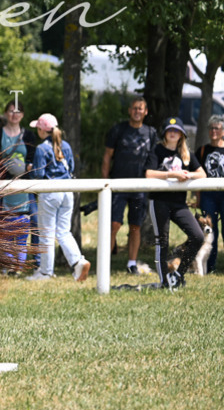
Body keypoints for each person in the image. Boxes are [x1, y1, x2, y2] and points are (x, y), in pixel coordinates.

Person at [28, 113, 90, 282]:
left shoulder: (42, 148)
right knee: (63, 231)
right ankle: (78, 261)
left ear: (42, 130)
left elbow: (39, 174)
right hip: (67, 192)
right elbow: (71, 167)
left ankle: (45, 272)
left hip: (50, 192)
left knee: (46, 232)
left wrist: (30, 168)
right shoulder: (66, 146)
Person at [145, 116, 206, 289]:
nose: (173, 133)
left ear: (181, 135)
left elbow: (202, 174)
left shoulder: (186, 154)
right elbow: (149, 173)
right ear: (165, 134)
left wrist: (187, 174)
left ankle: (179, 274)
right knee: (162, 241)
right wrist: (171, 175)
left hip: (179, 203)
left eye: (176, 131)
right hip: (159, 201)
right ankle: (165, 281)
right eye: (169, 130)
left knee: (197, 236)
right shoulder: (157, 150)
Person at [102, 97, 158, 273]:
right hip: (117, 186)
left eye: (140, 109)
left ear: (146, 112)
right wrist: (105, 183)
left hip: (139, 188)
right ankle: (105, 262)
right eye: (134, 108)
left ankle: (131, 264)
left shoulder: (151, 133)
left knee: (135, 226)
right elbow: (106, 157)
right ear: (129, 110)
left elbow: (154, 159)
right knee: (113, 225)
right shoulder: (118, 130)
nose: (137, 111)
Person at [0, 100, 38, 267]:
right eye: (11, 111)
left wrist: (27, 166)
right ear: (6, 113)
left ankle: (24, 263)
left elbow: (34, 158)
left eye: (18, 111)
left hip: (23, 186)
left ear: (23, 115)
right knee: (2, 225)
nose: (15, 114)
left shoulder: (28, 135)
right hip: (3, 186)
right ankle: (6, 262)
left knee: (27, 222)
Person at [196, 114, 224, 273]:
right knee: (210, 230)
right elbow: (198, 174)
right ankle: (210, 266)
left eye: (217, 128)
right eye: (211, 128)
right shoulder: (202, 151)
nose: (214, 131)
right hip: (208, 196)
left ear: (223, 131)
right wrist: (198, 197)